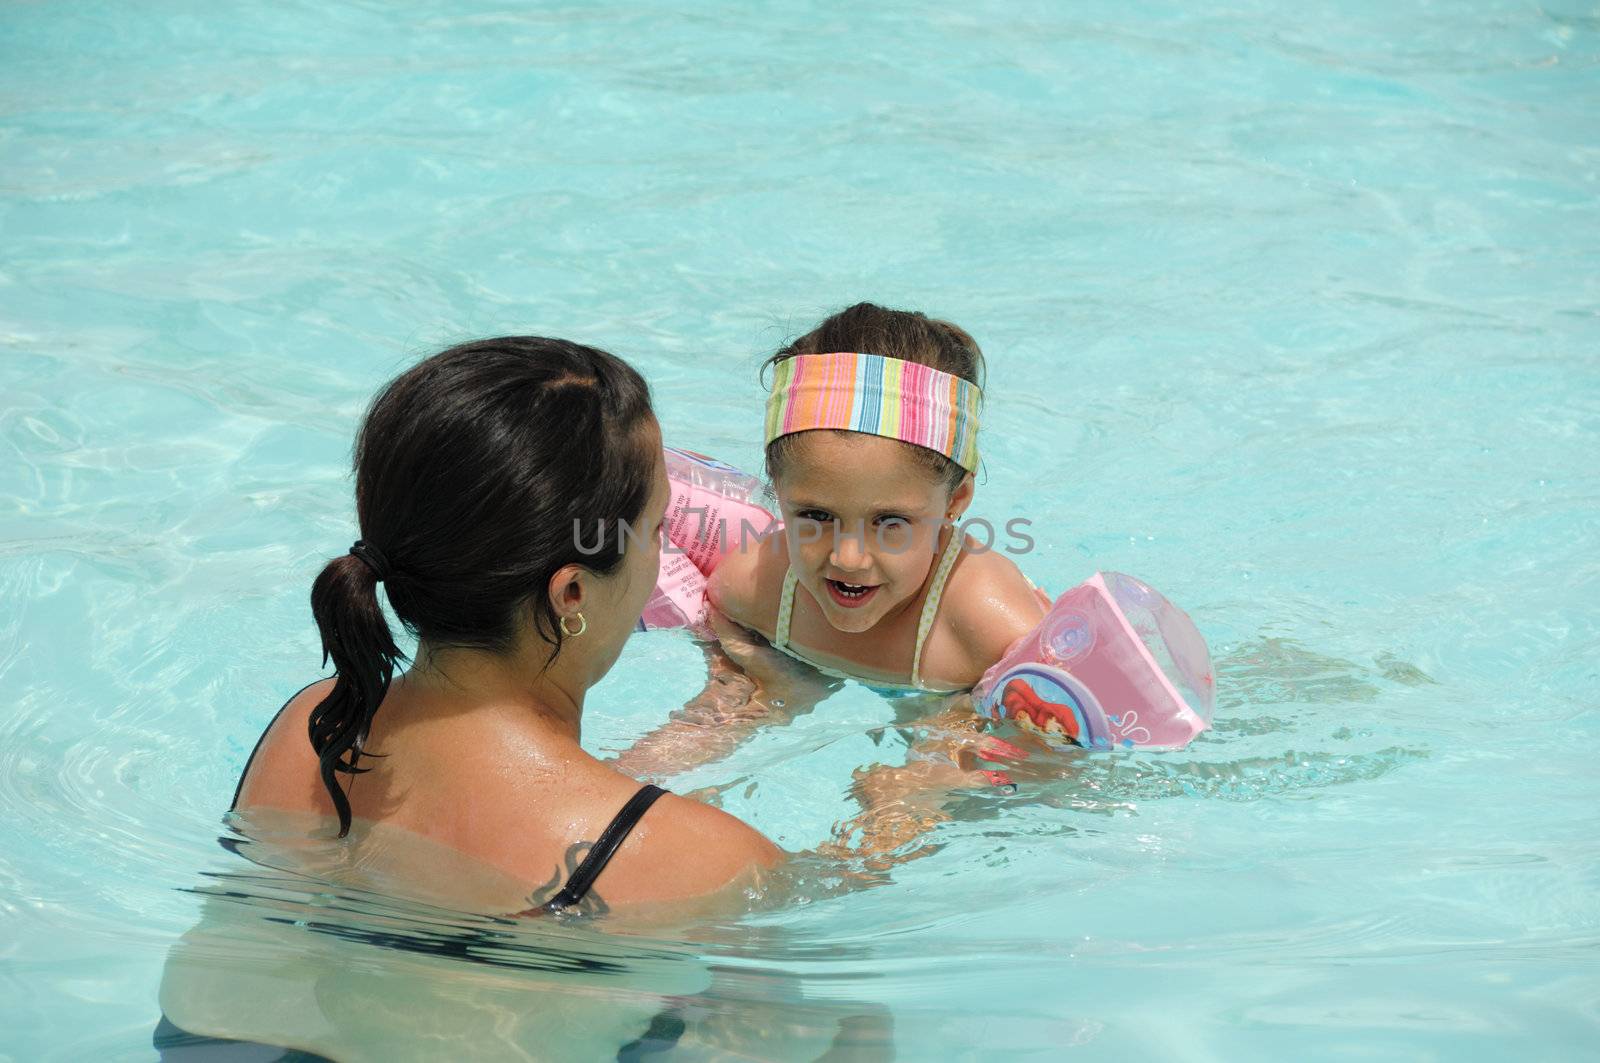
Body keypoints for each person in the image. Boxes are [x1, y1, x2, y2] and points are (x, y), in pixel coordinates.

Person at [231, 336, 781, 918]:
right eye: (653, 528)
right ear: (572, 593)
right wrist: (885, 812)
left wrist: (726, 714)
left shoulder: (313, 729)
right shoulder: (708, 863)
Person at [614, 303, 1046, 789]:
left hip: (959, 702)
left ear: (956, 500)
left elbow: (1063, 766)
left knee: (897, 798)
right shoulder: (756, 589)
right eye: (817, 516)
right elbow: (723, 614)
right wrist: (760, 673)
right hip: (798, 664)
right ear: (776, 488)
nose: (847, 557)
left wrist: (947, 760)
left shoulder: (994, 628)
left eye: (890, 521)